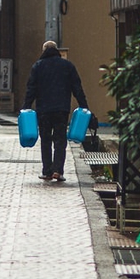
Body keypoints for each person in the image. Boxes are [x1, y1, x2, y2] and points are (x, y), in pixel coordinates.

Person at [22, 39, 88, 182]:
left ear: (43, 51)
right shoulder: (67, 66)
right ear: (56, 50)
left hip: (43, 110)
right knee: (60, 140)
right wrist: (84, 106)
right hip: (61, 109)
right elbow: (77, 88)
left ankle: (47, 171)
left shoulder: (38, 66)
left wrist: (26, 106)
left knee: (45, 140)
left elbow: (31, 89)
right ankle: (58, 170)